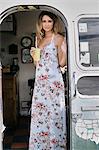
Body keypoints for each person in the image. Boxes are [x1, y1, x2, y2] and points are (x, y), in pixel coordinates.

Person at [29, 11, 67, 150]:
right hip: (40, 83)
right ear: (40, 23)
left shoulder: (58, 38)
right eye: (44, 21)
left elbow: (62, 63)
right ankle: (40, 146)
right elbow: (37, 64)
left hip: (54, 83)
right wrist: (33, 56)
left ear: (54, 22)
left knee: (55, 114)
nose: (46, 24)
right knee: (40, 115)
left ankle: (55, 146)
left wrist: (63, 49)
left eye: (49, 21)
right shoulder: (38, 39)